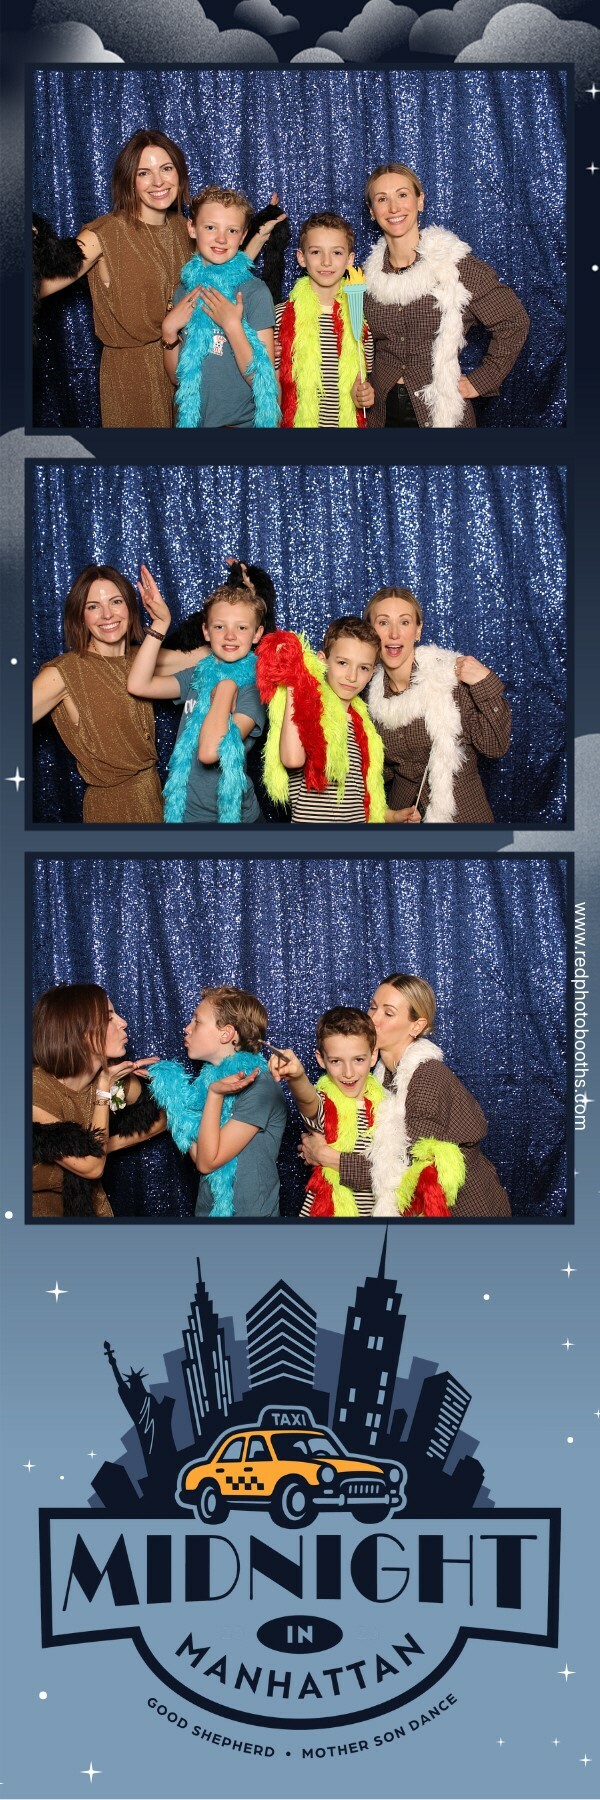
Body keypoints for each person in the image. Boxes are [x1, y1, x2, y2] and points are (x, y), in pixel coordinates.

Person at [37, 137, 278, 428]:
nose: (158, 181)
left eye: (166, 168)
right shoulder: (105, 233)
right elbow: (41, 284)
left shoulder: (180, 227)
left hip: (188, 368)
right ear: (129, 180)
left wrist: (252, 340)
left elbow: (222, 271)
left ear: (179, 173)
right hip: (134, 376)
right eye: (144, 172)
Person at [303, 974, 510, 1219]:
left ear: (416, 1026)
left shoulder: (427, 1077)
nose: (373, 1019)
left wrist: (330, 1158)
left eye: (388, 1013)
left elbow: (405, 1170)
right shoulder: (379, 1076)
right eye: (373, 1007)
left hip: (463, 1209)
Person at [358, 163, 530, 429]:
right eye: (382, 199)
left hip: (442, 414)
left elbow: (513, 321)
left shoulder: (456, 266)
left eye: (402, 195)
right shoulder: (365, 280)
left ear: (420, 200)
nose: (393, 207)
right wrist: (359, 387)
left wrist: (481, 381)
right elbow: (355, 344)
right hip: (380, 415)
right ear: (372, 211)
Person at [126, 567, 267, 824]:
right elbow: (138, 685)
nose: (230, 636)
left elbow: (210, 752)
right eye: (219, 626)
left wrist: (225, 689)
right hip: (184, 811)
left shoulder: (253, 687)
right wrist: (160, 625)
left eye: (242, 627)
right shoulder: (199, 673)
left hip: (232, 817)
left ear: (257, 634)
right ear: (206, 632)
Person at [364, 587, 511, 823]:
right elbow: (377, 771)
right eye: (383, 622)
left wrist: (485, 683)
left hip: (464, 818)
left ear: (418, 630)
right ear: (370, 633)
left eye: (404, 622)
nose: (394, 633)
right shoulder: (368, 699)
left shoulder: (449, 681)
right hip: (403, 820)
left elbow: (495, 747)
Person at [32, 564, 163, 823]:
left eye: (116, 602)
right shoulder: (63, 672)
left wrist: (245, 590)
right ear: (80, 616)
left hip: (153, 797)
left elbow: (212, 654)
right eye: (93, 606)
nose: (107, 614)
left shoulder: (141, 658)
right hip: (113, 810)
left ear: (130, 606)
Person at [149, 987, 288, 1219]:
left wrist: (215, 1094)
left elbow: (207, 1162)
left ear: (226, 1034)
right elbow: (200, 1154)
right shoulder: (205, 1083)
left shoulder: (259, 1085)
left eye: (197, 1021)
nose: (187, 1028)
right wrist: (172, 1096)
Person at [32, 985, 165, 1218]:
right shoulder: (33, 1091)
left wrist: (107, 1146)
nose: (123, 1023)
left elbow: (163, 1117)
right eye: (109, 1018)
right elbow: (93, 1167)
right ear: (80, 1032)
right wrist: (104, 1090)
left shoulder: (114, 1077)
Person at [162, 186, 279, 428]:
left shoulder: (254, 292)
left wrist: (232, 326)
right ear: (192, 228)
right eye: (210, 227)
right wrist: (168, 332)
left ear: (243, 236)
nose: (221, 238)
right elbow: (176, 379)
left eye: (232, 230)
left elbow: (263, 382)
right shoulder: (185, 291)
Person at [256, 618, 387, 823]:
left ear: (372, 672)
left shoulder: (364, 726)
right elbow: (292, 759)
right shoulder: (311, 709)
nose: (352, 676)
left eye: (363, 668)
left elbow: (363, 797)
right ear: (322, 661)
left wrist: (394, 815)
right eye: (342, 663)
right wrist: (295, 680)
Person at [269, 1009, 382, 1217]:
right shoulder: (327, 1103)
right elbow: (309, 1102)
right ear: (321, 1059)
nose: (348, 1073)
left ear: (373, 1055)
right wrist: (297, 1078)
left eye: (358, 1059)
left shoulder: (388, 1107)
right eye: (336, 1061)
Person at [274, 212, 373, 428]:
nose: (326, 261)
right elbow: (270, 386)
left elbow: (366, 378)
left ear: (349, 260)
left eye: (336, 252)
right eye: (316, 252)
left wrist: (363, 395)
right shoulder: (280, 317)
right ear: (302, 258)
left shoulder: (361, 320)